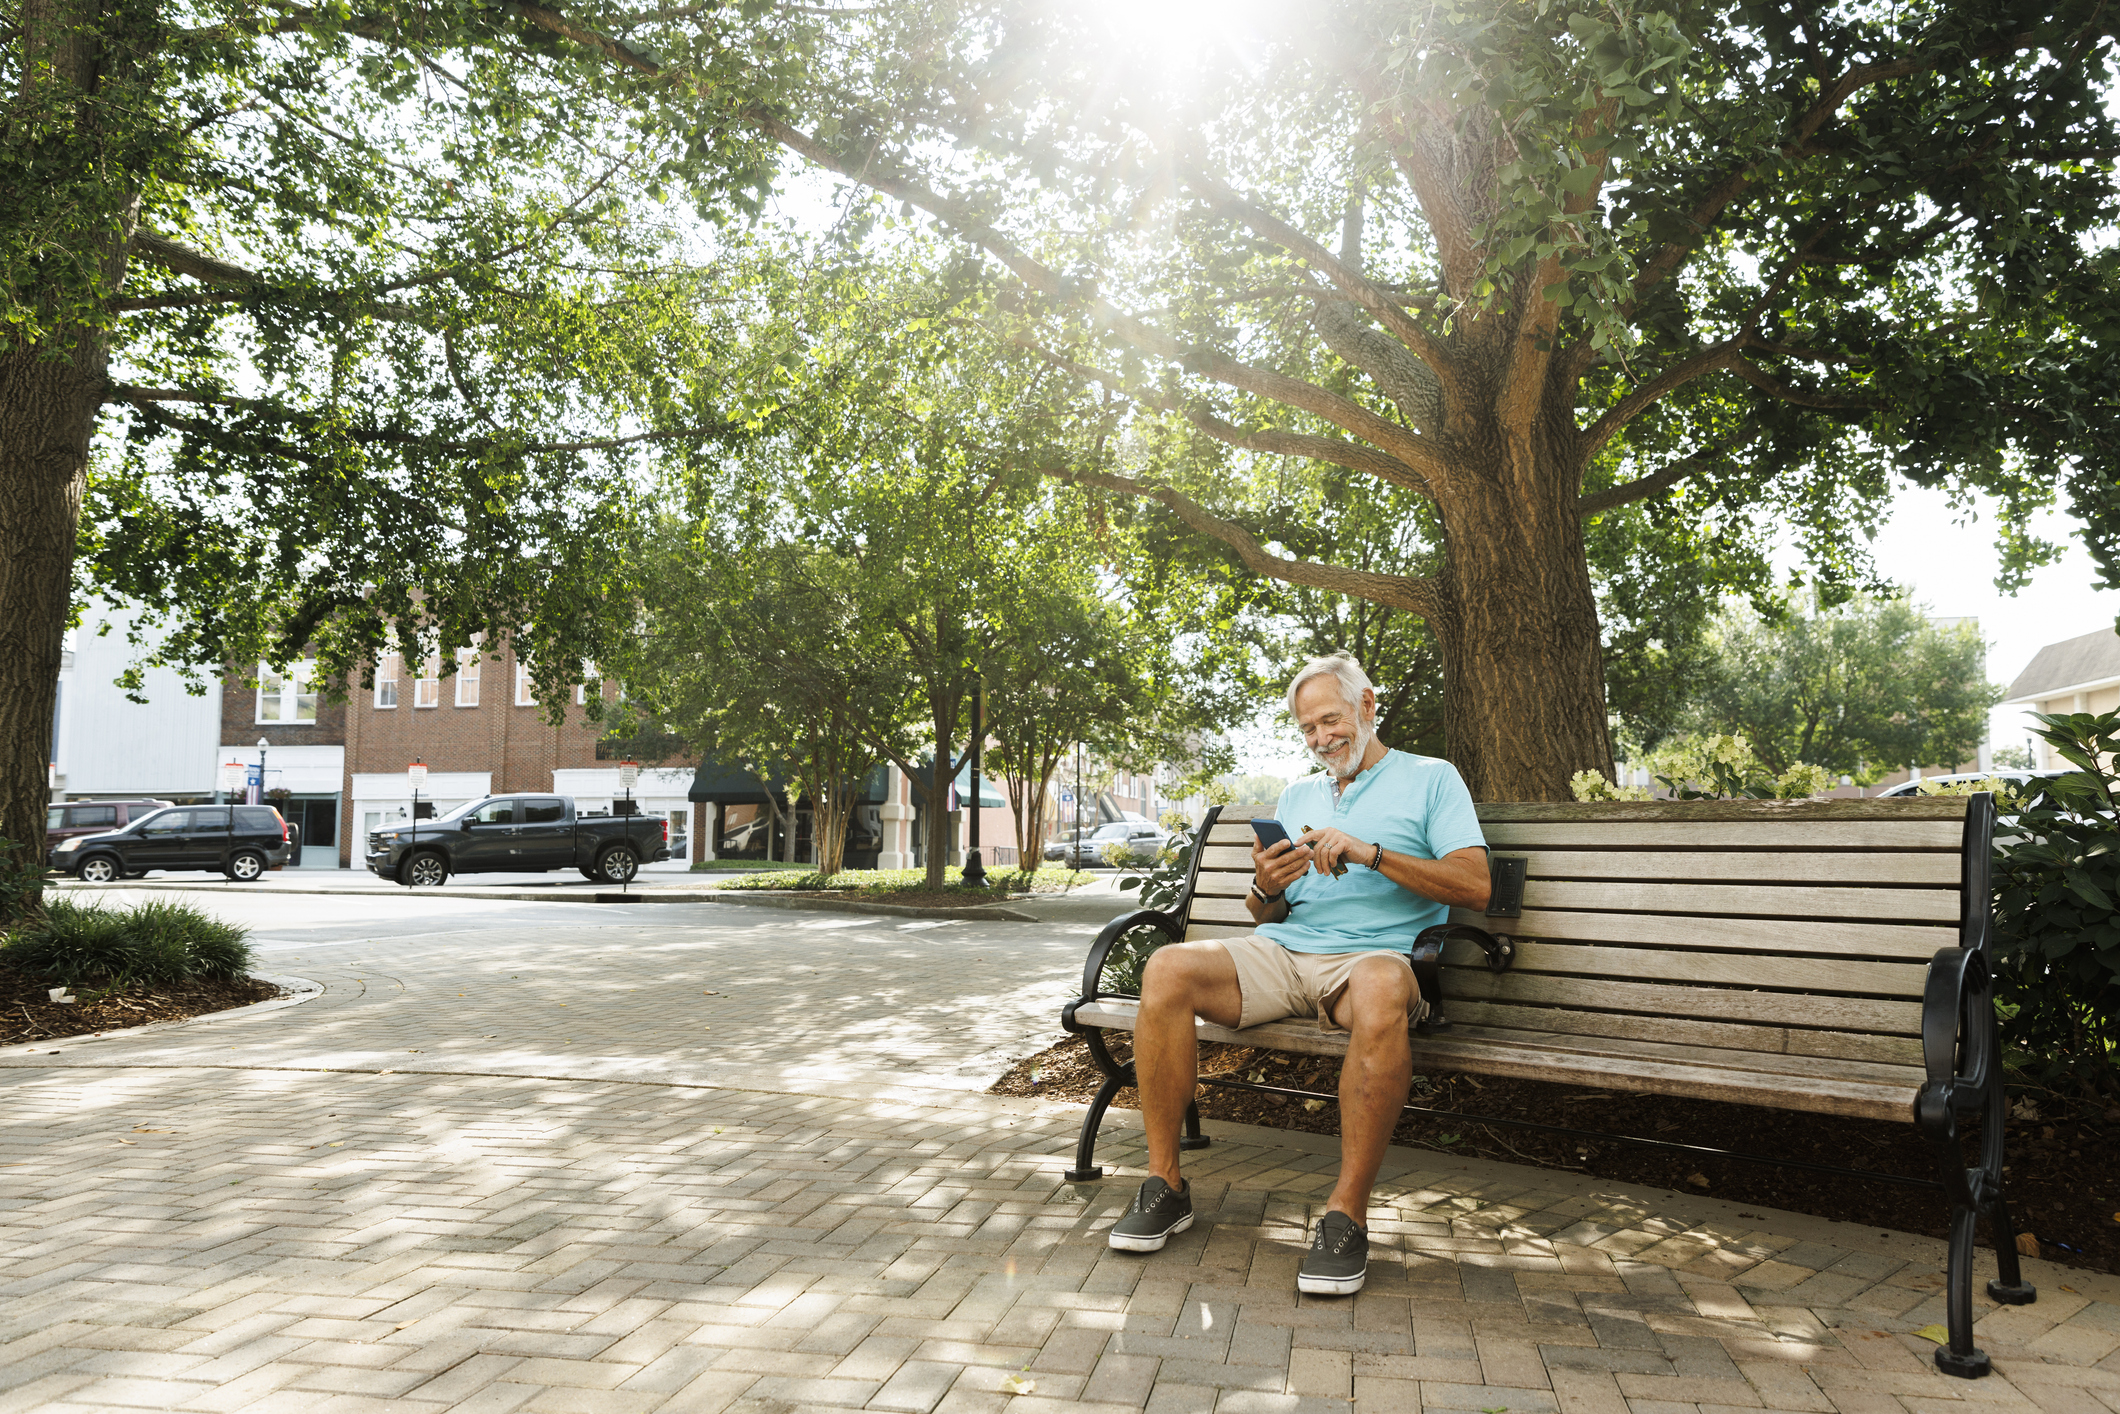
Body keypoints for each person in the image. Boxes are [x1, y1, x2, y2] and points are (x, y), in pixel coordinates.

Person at [1105, 652, 1490, 1294]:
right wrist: (1266, 887)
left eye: (1330, 720)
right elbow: (1268, 914)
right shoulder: (1298, 794)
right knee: (1168, 966)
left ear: (1368, 706)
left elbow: (1474, 885)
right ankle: (1165, 1183)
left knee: (1383, 985)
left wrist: (1371, 853)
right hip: (1287, 950)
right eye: (1307, 729)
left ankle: (1346, 1215)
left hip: (1372, 960)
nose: (1319, 739)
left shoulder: (1433, 778)